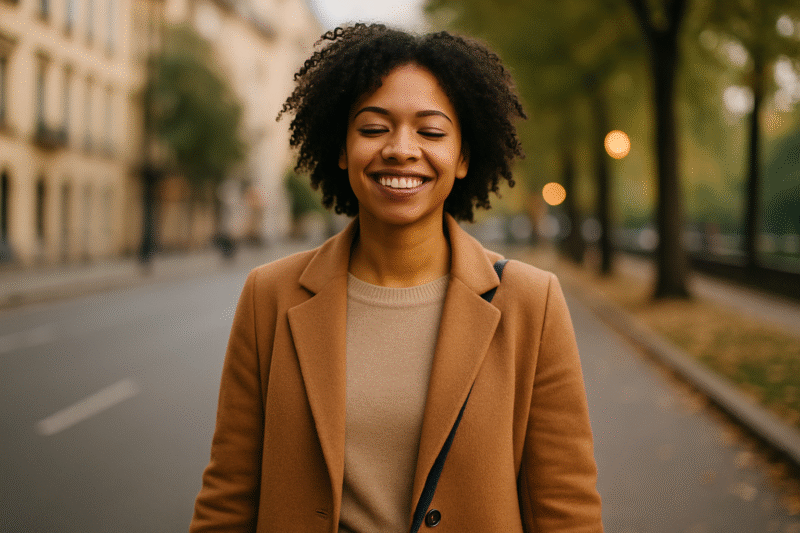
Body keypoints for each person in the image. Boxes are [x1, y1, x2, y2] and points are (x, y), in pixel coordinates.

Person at [190, 23, 603, 533]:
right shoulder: (268, 296)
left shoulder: (530, 302)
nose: (400, 149)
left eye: (430, 132)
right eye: (372, 129)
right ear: (341, 149)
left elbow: (566, 510)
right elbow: (229, 498)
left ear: (464, 156)